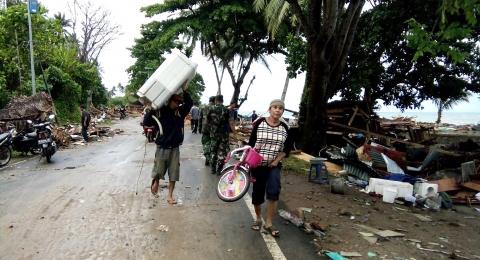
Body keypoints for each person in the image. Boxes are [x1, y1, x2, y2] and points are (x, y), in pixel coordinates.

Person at [248, 99, 292, 238]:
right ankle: (258, 218)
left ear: (282, 111)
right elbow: (251, 144)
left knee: (273, 191)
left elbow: (287, 149)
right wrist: (250, 162)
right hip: (258, 165)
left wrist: (276, 161)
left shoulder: (285, 128)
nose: (278, 110)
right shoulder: (259, 123)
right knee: (257, 194)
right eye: (275, 107)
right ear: (270, 109)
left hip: (274, 165)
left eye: (281, 108)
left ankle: (269, 222)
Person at [150, 84, 193, 204]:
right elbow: (147, 121)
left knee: (174, 173)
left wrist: (185, 90)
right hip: (162, 147)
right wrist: (151, 109)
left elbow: (189, 103)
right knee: (158, 170)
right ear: (170, 100)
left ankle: (170, 195)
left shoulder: (180, 112)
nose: (178, 104)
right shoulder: (161, 111)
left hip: (174, 148)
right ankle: (156, 181)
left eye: (179, 102)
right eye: (176, 101)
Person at [207, 95, 233, 175]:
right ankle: (219, 169)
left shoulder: (211, 109)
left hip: (214, 134)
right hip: (224, 134)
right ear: (222, 100)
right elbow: (229, 121)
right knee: (222, 152)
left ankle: (213, 169)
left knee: (213, 151)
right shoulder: (226, 110)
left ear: (216, 100)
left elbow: (208, 121)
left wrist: (211, 130)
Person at [200, 96, 215, 165]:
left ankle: (207, 156)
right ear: (214, 101)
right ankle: (211, 158)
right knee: (212, 143)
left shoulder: (203, 108)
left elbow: (200, 118)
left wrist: (199, 128)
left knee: (205, 143)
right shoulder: (215, 108)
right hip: (213, 130)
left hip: (205, 129)